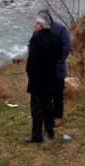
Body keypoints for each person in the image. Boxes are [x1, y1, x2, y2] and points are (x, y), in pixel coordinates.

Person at [25, 13, 62, 143]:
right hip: (51, 77)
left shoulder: (35, 39)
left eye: (36, 23)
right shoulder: (55, 39)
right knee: (48, 106)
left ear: (41, 25)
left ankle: (37, 136)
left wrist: (29, 74)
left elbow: (31, 61)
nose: (34, 26)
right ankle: (50, 132)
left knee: (36, 108)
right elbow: (59, 56)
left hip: (37, 79)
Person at [37, 9, 71, 127]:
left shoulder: (60, 29)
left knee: (57, 95)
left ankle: (57, 117)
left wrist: (58, 61)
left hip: (57, 70)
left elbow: (66, 47)